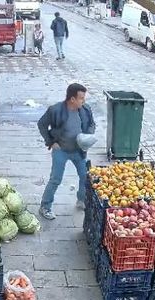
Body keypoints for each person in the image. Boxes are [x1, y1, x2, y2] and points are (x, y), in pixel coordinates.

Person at [38, 83, 96, 220]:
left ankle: (82, 200)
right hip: (61, 150)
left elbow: (92, 124)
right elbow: (42, 124)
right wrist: (51, 142)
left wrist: (88, 136)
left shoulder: (85, 109)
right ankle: (45, 206)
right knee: (55, 179)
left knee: (85, 176)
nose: (84, 101)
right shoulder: (56, 110)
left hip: (79, 150)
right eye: (81, 98)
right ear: (72, 99)